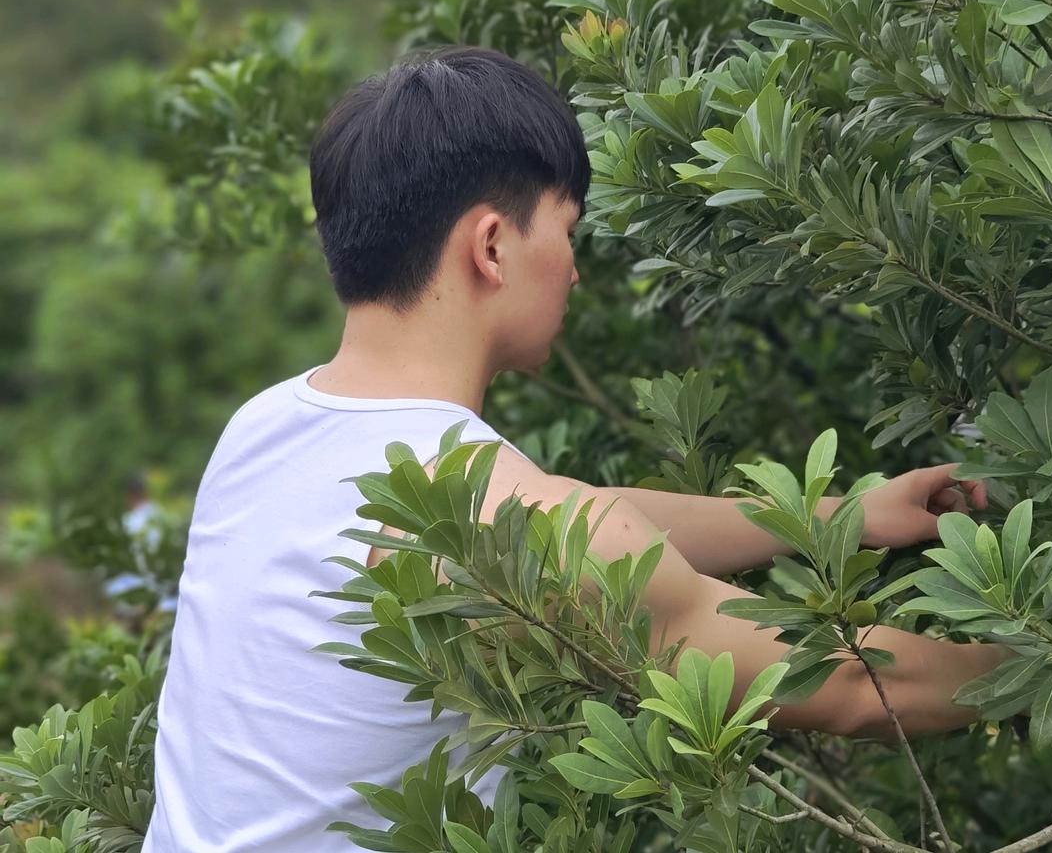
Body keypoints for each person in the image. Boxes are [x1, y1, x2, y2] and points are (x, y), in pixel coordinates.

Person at [144, 45, 1008, 851]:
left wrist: (835, 515)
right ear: (491, 246)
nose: (575, 267)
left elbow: (589, 515)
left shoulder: (267, 428)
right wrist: (1051, 663)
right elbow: (855, 689)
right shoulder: (499, 515)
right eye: (566, 229)